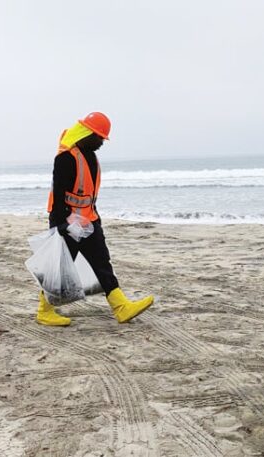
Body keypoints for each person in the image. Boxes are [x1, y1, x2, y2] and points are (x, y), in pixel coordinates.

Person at [38, 112, 154, 326]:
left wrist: (95, 220)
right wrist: (62, 225)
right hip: (67, 224)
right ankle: (45, 311)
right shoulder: (66, 158)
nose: (102, 142)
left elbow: (88, 194)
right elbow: (58, 194)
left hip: (88, 221)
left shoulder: (90, 156)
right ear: (88, 134)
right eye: (99, 137)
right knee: (60, 268)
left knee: (102, 263)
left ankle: (121, 307)